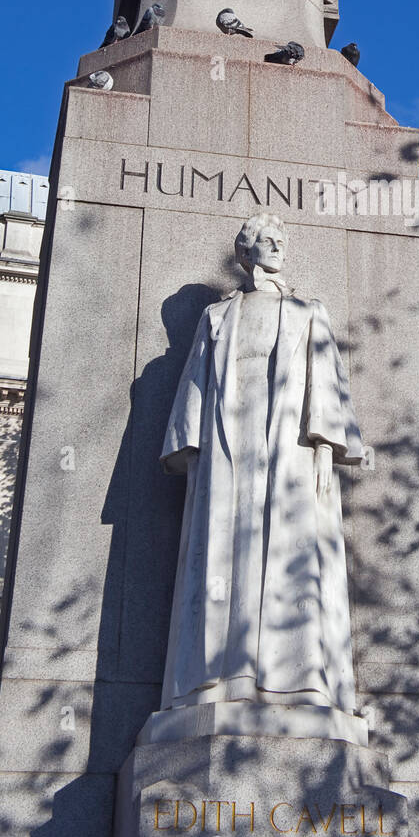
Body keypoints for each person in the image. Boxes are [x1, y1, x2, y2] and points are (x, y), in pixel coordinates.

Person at [158, 212, 364, 715]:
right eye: (264, 240)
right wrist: (191, 454)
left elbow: (328, 386)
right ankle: (218, 681)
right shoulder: (216, 317)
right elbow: (194, 389)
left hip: (290, 450)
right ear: (245, 253)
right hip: (227, 453)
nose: (275, 246)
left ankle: (298, 680)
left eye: (280, 240)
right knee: (224, 559)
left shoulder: (308, 313)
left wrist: (324, 447)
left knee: (292, 559)